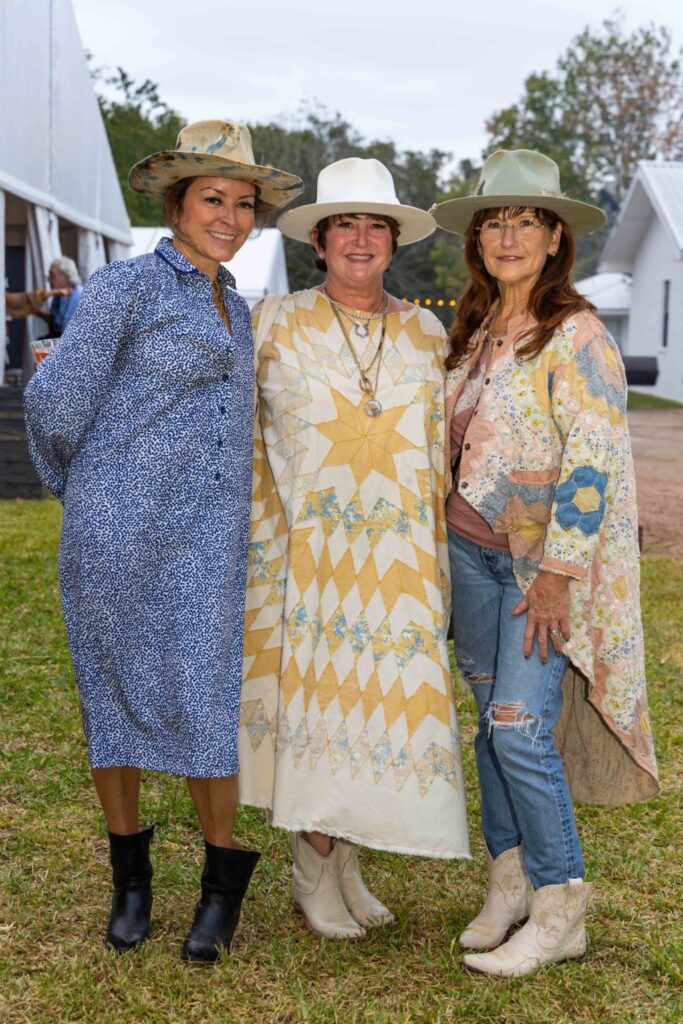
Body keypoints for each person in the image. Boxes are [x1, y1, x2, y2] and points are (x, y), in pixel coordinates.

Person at [23, 120, 303, 962]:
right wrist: (97, 490)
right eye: (212, 198)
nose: (228, 215)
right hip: (120, 534)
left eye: (242, 203)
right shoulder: (126, 288)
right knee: (114, 704)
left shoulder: (239, 307)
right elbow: (52, 403)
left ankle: (220, 887)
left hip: (210, 542)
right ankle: (131, 882)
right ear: (177, 204)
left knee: (205, 702)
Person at [430, 149, 659, 977]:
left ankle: (562, 905)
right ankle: (509, 881)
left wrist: (560, 572)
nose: (507, 235)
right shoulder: (474, 329)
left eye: (525, 220)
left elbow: (593, 461)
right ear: (478, 240)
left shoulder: (577, 334)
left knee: (519, 729)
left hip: (534, 571)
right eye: (494, 221)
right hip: (468, 556)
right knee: (489, 728)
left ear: (556, 235)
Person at [238, 157, 470, 940]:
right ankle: (311, 867)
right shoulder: (271, 322)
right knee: (324, 706)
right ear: (322, 239)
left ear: (394, 239)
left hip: (399, 559)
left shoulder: (425, 332)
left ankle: (344, 862)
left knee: (380, 714)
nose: (361, 239)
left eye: (376, 225)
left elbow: (442, 449)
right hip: (309, 559)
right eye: (346, 224)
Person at [43, 257, 83, 336]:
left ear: (67, 278)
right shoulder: (58, 296)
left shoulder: (82, 297)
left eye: (52, 276)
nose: (49, 280)